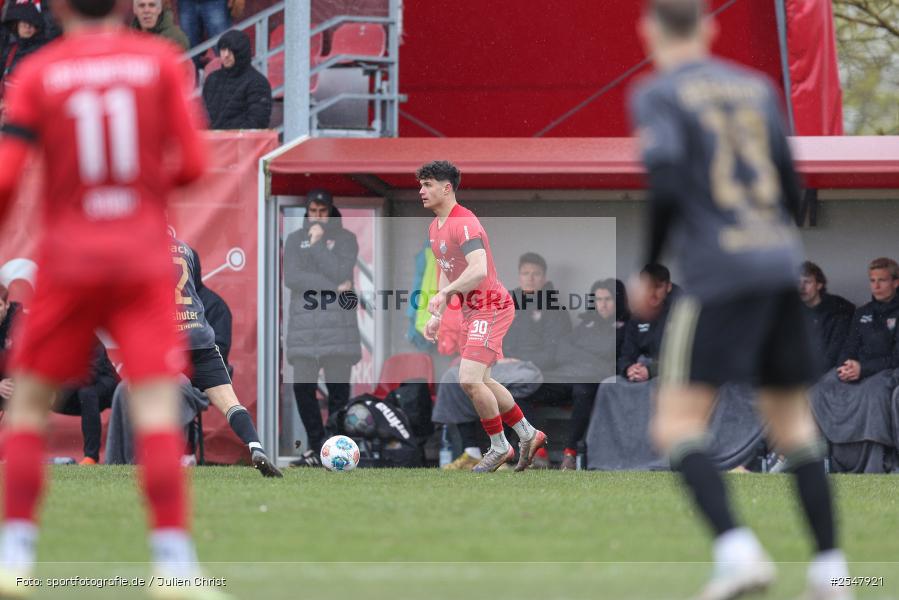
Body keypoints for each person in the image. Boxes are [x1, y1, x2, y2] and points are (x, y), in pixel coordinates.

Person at [628, 1, 847, 598]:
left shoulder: (658, 93)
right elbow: (790, 182)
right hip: (777, 267)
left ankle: (738, 553)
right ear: (709, 27)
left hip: (719, 276)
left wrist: (648, 267)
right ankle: (833, 573)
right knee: (794, 426)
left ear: (649, 31)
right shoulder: (755, 87)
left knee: (676, 426)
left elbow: (666, 183)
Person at [0, 0, 216, 595]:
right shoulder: (158, 63)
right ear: (123, 6)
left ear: (59, 8)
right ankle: (173, 567)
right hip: (141, 256)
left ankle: (14, 556)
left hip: (70, 255)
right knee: (154, 405)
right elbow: (193, 164)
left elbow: (7, 179)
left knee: (27, 403)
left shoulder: (39, 73)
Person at [419, 160, 546, 473]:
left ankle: (500, 447)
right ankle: (528, 434)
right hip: (473, 311)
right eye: (421, 185)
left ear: (446, 188)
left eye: (428, 185)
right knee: (483, 380)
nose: (421, 191)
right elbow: (447, 271)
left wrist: (446, 295)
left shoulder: (464, 222)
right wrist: (438, 314)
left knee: (469, 379)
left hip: (491, 306)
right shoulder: (435, 228)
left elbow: (478, 269)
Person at [439, 251, 571, 471]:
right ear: (519, 276)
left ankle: (505, 453)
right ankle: (471, 451)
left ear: (544, 277)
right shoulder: (505, 301)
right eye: (525, 273)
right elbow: (492, 334)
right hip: (500, 364)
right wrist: (495, 357)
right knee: (454, 378)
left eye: (536, 274)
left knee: (510, 386)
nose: (530, 278)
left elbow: (555, 353)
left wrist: (520, 361)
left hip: (537, 372)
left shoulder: (555, 309)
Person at [171, 237, 281, 476]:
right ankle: (256, 447)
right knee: (231, 404)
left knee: (146, 400)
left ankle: (162, 459)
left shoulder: (141, 251)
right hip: (200, 337)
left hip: (171, 340)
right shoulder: (185, 249)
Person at [284, 189, 361, 467]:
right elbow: (293, 278)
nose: (317, 217)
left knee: (338, 393)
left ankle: (334, 446)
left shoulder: (346, 239)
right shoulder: (295, 240)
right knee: (302, 389)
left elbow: (342, 270)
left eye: (322, 211)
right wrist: (332, 286)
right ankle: (317, 447)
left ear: (331, 211)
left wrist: (317, 246)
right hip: (304, 330)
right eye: (313, 211)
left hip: (339, 329)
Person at [558, 278, 628, 471]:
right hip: (571, 377)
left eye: (608, 299)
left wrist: (580, 354)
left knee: (583, 391)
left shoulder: (625, 326)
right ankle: (529, 451)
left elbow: (608, 354)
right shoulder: (587, 323)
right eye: (598, 299)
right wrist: (589, 356)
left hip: (593, 383)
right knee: (528, 386)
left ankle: (570, 453)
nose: (602, 305)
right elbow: (561, 350)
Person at [53, 339, 119, 465]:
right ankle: (24, 452)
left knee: (87, 392)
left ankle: (91, 456)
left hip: (105, 384)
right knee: (31, 393)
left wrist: (57, 393)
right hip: (72, 390)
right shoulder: (50, 342)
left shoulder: (88, 337)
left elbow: (89, 374)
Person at [835, 257, 899, 383]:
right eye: (872, 280)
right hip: (856, 371)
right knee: (821, 388)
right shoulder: (862, 312)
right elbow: (849, 346)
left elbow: (897, 358)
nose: (876, 286)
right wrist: (845, 366)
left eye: (882, 280)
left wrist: (863, 369)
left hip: (886, 374)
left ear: (896, 283)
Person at [202, 29, 272, 130]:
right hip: (211, 139)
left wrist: (224, 135)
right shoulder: (212, 79)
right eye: (223, 49)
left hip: (241, 139)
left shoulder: (258, 83)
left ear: (241, 53)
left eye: (231, 50)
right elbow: (201, 116)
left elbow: (257, 123)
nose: (226, 55)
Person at [616, 263, 674, 382]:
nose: (652, 293)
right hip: (639, 371)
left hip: (668, 374)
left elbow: (682, 358)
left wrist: (651, 370)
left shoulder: (679, 314)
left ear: (668, 287)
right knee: (608, 385)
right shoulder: (636, 318)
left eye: (658, 286)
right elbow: (626, 354)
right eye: (648, 287)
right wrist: (628, 368)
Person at [799, 261, 854, 371]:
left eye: (807, 282)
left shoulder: (838, 310)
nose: (801, 287)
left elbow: (834, 353)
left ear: (819, 285)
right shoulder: (792, 312)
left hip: (827, 371)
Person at [0, 1, 49, 99]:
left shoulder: (43, 52)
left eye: (32, 23)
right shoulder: (10, 49)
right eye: (24, 23)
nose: (28, 27)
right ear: (16, 26)